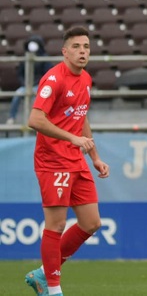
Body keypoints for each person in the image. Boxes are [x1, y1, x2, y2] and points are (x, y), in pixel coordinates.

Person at [24, 26, 110, 296]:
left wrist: (94, 156)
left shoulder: (85, 79)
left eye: (86, 46)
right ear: (65, 52)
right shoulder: (53, 79)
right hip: (52, 160)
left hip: (76, 159)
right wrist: (71, 139)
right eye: (76, 47)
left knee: (92, 223)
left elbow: (81, 115)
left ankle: (42, 274)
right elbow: (35, 120)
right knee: (56, 225)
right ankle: (53, 289)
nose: (82, 51)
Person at [8, 35, 49, 125]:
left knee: (35, 99)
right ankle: (12, 117)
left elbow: (47, 74)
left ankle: (35, 120)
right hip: (26, 85)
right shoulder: (25, 58)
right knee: (17, 94)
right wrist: (24, 84)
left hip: (39, 86)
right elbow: (20, 74)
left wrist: (38, 84)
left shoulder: (45, 58)